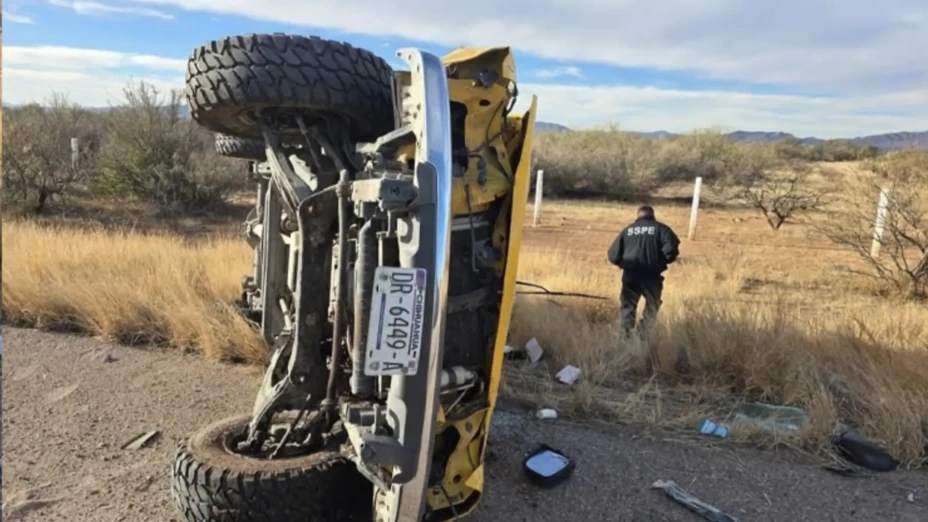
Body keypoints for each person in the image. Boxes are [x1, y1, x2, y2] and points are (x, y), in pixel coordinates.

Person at [606, 205, 680, 335]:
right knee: (652, 304)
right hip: (652, 275)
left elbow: (613, 255)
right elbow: (671, 251)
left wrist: (623, 264)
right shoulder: (662, 229)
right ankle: (644, 332)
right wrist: (661, 261)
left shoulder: (627, 231)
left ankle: (626, 334)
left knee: (628, 306)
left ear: (637, 216)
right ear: (653, 215)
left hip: (630, 275)